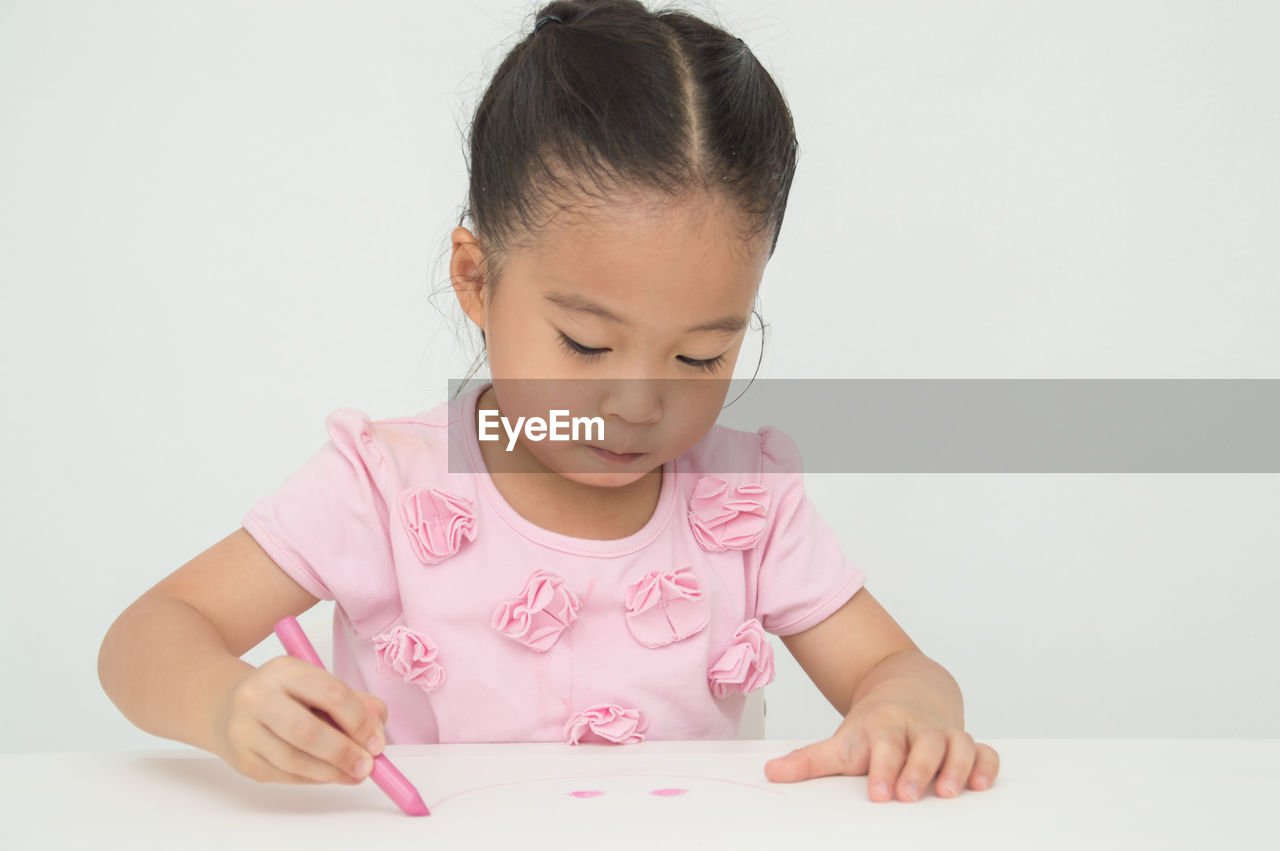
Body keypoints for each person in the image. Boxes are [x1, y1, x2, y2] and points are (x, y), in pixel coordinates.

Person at [98, 0, 998, 804]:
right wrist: (226, 704)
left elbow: (893, 665)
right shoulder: (386, 487)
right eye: (587, 344)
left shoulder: (744, 502)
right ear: (476, 279)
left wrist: (906, 712)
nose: (639, 402)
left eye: (702, 353)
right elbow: (148, 635)